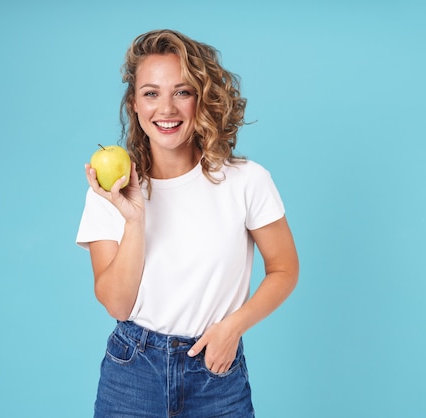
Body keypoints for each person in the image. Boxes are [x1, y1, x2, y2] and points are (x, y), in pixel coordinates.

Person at [76, 29, 299, 417]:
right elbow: (117, 303)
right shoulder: (111, 191)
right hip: (133, 372)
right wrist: (134, 219)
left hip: (215, 371)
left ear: (202, 98)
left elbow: (284, 269)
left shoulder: (247, 180)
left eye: (182, 92)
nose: (167, 109)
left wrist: (233, 327)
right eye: (151, 93)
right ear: (133, 104)